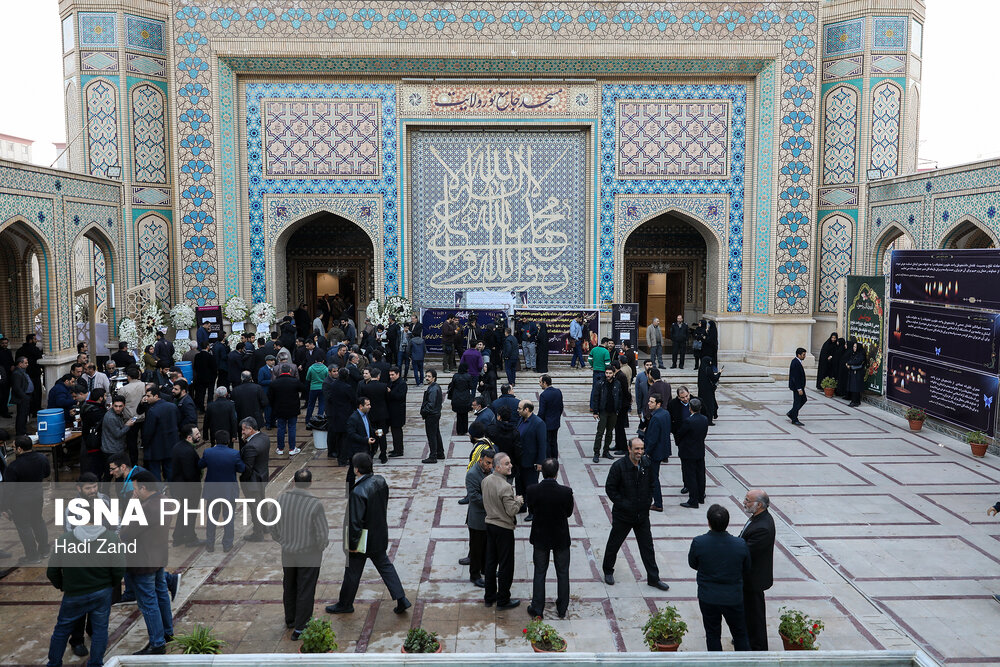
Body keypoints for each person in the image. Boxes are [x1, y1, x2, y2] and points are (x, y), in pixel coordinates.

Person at [45, 487, 124, 666]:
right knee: (100, 630)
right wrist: (110, 584)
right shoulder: (111, 539)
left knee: (61, 630)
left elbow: (52, 572)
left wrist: (63, 585)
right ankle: (95, 663)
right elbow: (119, 569)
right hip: (101, 592)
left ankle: (54, 663)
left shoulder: (65, 540)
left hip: (73, 594)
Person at [326, 453, 411, 615]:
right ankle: (401, 598)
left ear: (356, 470)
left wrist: (352, 545)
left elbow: (355, 522)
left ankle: (345, 604)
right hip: (379, 534)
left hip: (363, 540)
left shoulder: (358, 492)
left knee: (352, 572)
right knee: (385, 567)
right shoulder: (380, 481)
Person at [601, 437, 670, 591]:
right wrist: (624, 504)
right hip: (623, 515)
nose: (640, 452)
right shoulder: (618, 466)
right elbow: (610, 489)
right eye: (637, 449)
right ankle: (608, 570)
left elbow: (652, 483)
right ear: (629, 449)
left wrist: (648, 500)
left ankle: (653, 578)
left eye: (642, 449)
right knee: (614, 543)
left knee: (647, 547)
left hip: (642, 515)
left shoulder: (646, 464)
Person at [120, 471, 174, 655]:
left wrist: (134, 504)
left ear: (144, 488)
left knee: (148, 602)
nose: (133, 492)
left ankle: (157, 643)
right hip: (159, 557)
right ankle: (167, 632)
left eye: (135, 488)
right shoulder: (165, 500)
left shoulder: (146, 508)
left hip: (144, 561)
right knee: (161, 595)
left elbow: (126, 533)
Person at [273, 468, 329, 640]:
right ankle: (301, 627)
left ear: (294, 481)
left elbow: (272, 525)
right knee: (305, 589)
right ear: (310, 483)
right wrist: (318, 547)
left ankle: (290, 619)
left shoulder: (281, 499)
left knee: (289, 585)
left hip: (288, 552)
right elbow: (322, 534)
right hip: (309, 554)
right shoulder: (315, 504)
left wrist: (282, 540)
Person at [688, 504, 751, 651]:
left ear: (708, 522)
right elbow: (746, 568)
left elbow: (693, 563)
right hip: (733, 597)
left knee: (712, 634)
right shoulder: (740, 544)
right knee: (740, 634)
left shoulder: (699, 542)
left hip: (708, 597)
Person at [526, 458, 574, 619]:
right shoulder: (566, 492)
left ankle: (537, 608)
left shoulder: (532, 490)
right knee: (563, 573)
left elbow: (531, 509)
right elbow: (568, 513)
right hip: (560, 537)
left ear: (542, 472)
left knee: (539, 572)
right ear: (556, 473)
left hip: (540, 537)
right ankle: (562, 609)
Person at [482, 451, 523, 610]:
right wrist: (518, 501)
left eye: (510, 462)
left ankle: (489, 596)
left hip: (490, 525)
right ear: (497, 467)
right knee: (506, 565)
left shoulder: (485, 481)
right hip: (503, 529)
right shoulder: (506, 487)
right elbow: (511, 511)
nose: (510, 466)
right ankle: (503, 599)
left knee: (491, 562)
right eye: (507, 464)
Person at [4, 436, 51, 564]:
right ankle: (45, 549)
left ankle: (33, 556)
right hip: (37, 497)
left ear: (19, 449)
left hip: (20, 502)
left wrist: (4, 507)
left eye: (13, 447)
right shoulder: (42, 458)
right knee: (38, 522)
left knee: (24, 528)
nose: (13, 449)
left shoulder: (13, 466)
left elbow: (9, 489)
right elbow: (47, 474)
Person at [740, 489, 776, 651]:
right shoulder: (758, 518)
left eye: (748, 500)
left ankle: (759, 647)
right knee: (749, 612)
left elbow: (747, 551)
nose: (744, 502)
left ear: (759, 505)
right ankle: (748, 637)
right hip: (749, 577)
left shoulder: (763, 527)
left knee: (755, 615)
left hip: (754, 579)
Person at [199, 430, 245, 553]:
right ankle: (227, 544)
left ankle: (210, 544)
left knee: (211, 518)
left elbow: (200, 464)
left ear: (215, 440)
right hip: (228, 491)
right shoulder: (234, 454)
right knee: (228, 518)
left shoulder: (208, 452)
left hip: (212, 491)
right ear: (228, 440)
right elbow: (241, 468)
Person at [170, 424, 204, 547]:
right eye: (197, 434)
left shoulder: (178, 446)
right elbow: (190, 473)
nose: (199, 435)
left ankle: (178, 537)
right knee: (190, 513)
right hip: (189, 488)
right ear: (189, 437)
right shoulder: (188, 451)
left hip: (180, 486)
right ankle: (190, 538)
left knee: (184, 512)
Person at [465, 447, 494, 588]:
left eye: (492, 463)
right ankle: (474, 575)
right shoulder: (472, 474)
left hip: (490, 517)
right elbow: (475, 497)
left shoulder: (492, 471)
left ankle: (486, 569)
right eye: (488, 463)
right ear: (480, 460)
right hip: (477, 518)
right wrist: (493, 501)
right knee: (476, 548)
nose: (490, 466)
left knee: (487, 546)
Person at [239, 417, 271, 541]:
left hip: (252, 481)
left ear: (250, 429)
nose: (242, 432)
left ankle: (258, 533)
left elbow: (247, 469)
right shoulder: (264, 438)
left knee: (254, 507)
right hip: (263, 476)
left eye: (243, 430)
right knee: (262, 503)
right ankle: (266, 526)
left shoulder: (250, 447)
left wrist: (243, 478)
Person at [516, 400, 546, 521]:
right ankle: (522, 505)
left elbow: (542, 444)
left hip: (531, 462)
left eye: (519, 408)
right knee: (520, 485)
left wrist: (540, 462)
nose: (517, 410)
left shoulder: (538, 423)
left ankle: (533, 511)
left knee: (531, 488)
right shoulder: (521, 420)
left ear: (527, 410)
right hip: (520, 461)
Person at [141, 384, 178, 482]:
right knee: (170, 469)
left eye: (148, 396)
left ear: (156, 396)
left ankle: (158, 493)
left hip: (155, 447)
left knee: (155, 471)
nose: (146, 398)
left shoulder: (152, 411)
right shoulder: (172, 407)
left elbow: (148, 431)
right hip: (171, 444)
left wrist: (145, 444)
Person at [678, 398, 709, 508]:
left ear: (690, 408)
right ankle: (701, 496)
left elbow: (680, 434)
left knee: (690, 476)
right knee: (700, 474)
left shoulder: (688, 421)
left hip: (688, 452)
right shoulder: (704, 419)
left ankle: (693, 500)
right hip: (699, 450)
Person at [645, 394, 672, 512]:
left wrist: (647, 452)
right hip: (663, 450)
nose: (648, 403)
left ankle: (658, 503)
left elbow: (652, 438)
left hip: (655, 452)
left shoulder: (655, 418)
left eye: (651, 402)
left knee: (653, 477)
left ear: (658, 404)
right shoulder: (665, 413)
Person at [343, 397, 376, 491]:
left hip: (366, 448)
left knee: (369, 469)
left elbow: (367, 429)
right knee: (352, 472)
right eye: (367, 405)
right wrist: (365, 440)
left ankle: (368, 489)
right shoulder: (353, 418)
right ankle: (349, 492)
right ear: (361, 406)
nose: (370, 406)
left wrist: (374, 432)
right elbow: (351, 434)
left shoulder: (365, 415)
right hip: (356, 450)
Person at [358, 367, 390, 463]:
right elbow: (387, 399)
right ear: (379, 376)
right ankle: (383, 454)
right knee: (381, 434)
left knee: (372, 433)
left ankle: (372, 452)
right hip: (381, 415)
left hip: (370, 415)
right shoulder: (383, 386)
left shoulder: (365, 387)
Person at [326, 368, 357, 464]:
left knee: (338, 437)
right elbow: (353, 399)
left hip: (335, 413)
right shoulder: (347, 387)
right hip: (345, 414)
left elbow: (330, 398)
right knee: (344, 438)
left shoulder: (333, 385)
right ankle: (343, 459)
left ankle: (339, 456)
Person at [268, 365, 301, 455]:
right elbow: (303, 390)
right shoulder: (295, 381)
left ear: (280, 371)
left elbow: (270, 397)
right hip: (292, 409)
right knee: (292, 428)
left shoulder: (274, 383)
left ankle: (280, 448)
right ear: (290, 371)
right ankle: (292, 448)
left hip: (279, 409)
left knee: (281, 428)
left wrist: (273, 406)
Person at [591, 367, 621, 463]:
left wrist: (618, 409)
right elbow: (595, 398)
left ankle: (606, 450)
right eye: (606, 373)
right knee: (600, 432)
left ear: (613, 373)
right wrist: (595, 412)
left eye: (610, 373)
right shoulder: (600, 383)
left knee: (609, 432)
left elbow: (620, 397)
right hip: (603, 411)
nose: (608, 375)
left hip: (613, 412)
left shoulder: (617, 383)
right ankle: (596, 452)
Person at [79, 387, 108, 479]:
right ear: (100, 398)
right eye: (105, 396)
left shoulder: (85, 406)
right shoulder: (97, 411)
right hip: (95, 442)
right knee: (96, 468)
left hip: (86, 439)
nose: (106, 397)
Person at [420, 369, 445, 464]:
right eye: (426, 376)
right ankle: (440, 453)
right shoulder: (434, 387)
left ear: (434, 378)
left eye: (429, 376)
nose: (427, 378)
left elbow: (431, 404)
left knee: (432, 436)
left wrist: (424, 412)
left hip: (432, 415)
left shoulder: (434, 389)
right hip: (434, 414)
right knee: (436, 434)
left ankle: (433, 456)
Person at [102, 395, 136, 462]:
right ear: (112, 405)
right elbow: (117, 434)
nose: (118, 408)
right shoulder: (111, 417)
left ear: (124, 405)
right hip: (112, 450)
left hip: (114, 448)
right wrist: (127, 425)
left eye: (120, 406)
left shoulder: (117, 414)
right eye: (116, 406)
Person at [232, 371, 267, 436]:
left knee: (243, 439)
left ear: (241, 378)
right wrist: (260, 410)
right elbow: (264, 402)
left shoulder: (236, 390)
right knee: (256, 438)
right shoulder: (258, 388)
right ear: (251, 378)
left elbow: (233, 405)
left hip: (241, 417)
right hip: (255, 417)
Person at [537, 374, 563, 459]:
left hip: (547, 423)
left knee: (547, 442)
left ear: (545, 383)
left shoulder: (544, 395)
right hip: (555, 422)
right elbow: (561, 407)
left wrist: (537, 421)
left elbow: (541, 412)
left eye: (540, 382)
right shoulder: (558, 391)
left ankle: (548, 459)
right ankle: (555, 458)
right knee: (554, 442)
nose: (539, 384)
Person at [448, 362, 476, 437]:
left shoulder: (455, 376)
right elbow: (471, 386)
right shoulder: (468, 376)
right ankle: (464, 430)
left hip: (457, 397)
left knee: (459, 414)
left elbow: (452, 386)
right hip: (465, 397)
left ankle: (459, 430)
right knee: (465, 415)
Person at [386, 366, 408, 458]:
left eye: (393, 375)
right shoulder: (391, 382)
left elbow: (401, 396)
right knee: (394, 431)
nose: (391, 376)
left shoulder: (402, 384)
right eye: (390, 375)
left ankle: (399, 450)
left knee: (397, 431)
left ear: (398, 374)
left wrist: (390, 392)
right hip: (392, 411)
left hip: (398, 412)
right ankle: (396, 448)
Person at [11, 356, 33, 435]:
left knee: (24, 415)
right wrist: (24, 397)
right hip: (22, 398)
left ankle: (23, 431)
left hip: (25, 397)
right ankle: (21, 432)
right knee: (21, 415)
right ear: (20, 364)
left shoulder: (22, 371)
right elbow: (17, 388)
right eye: (25, 363)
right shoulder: (17, 373)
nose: (27, 364)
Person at [697, 358, 722, 425]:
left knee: (703, 405)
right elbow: (714, 378)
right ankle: (709, 420)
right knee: (710, 405)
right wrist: (719, 373)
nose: (711, 362)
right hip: (708, 390)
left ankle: (703, 418)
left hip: (702, 390)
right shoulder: (708, 368)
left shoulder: (701, 368)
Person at [305, 357, 328, 425]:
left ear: (315, 360)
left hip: (313, 388)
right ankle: (319, 420)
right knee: (321, 404)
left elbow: (307, 378)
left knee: (311, 404)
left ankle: (308, 420)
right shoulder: (326, 369)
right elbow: (327, 378)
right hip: (322, 388)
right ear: (323, 361)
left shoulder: (311, 368)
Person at [787, 347, 807, 426]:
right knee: (797, 402)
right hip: (797, 387)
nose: (804, 356)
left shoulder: (797, 362)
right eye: (803, 355)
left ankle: (792, 413)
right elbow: (795, 377)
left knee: (803, 399)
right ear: (798, 355)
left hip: (800, 386)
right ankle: (794, 419)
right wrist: (799, 388)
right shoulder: (795, 363)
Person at [845, 339, 867, 407]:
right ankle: (855, 401)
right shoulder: (855, 354)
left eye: (855, 347)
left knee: (855, 388)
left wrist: (849, 364)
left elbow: (858, 362)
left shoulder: (861, 355)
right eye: (853, 347)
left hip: (858, 373)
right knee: (853, 387)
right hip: (853, 373)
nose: (854, 348)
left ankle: (855, 401)